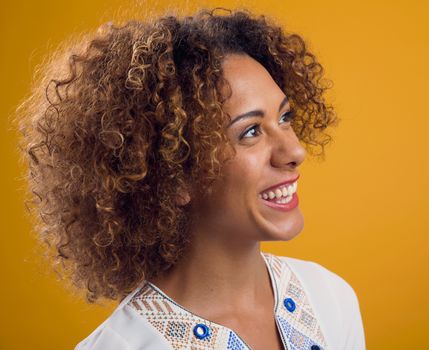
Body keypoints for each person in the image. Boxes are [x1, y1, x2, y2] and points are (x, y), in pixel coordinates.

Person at [15, 7, 365, 350]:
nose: (294, 151)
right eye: (251, 132)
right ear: (174, 176)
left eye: (285, 117)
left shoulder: (331, 299)